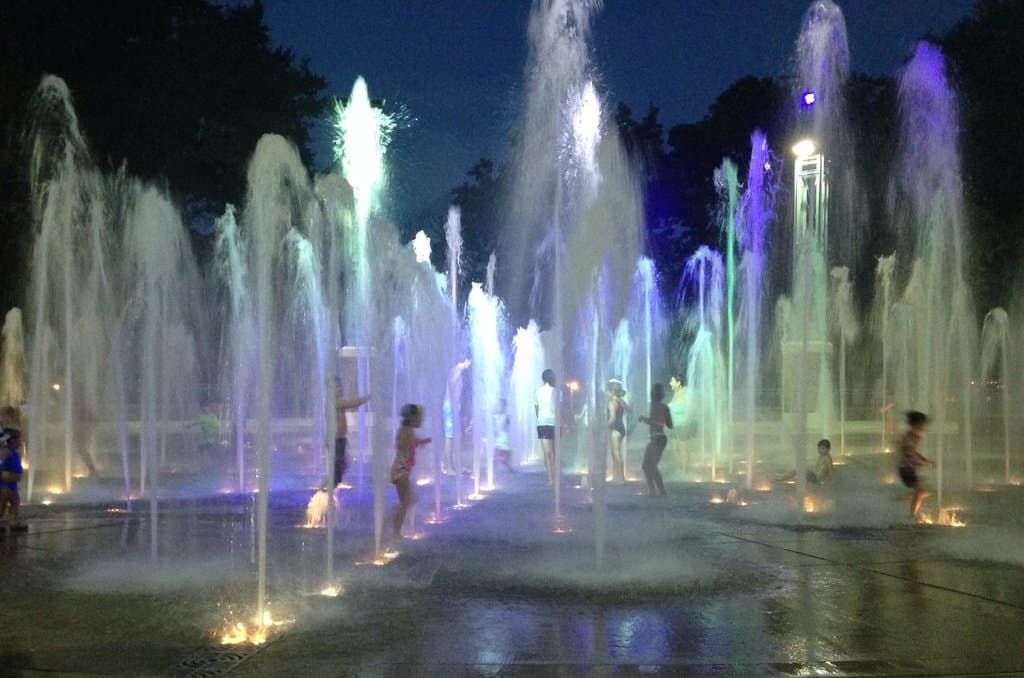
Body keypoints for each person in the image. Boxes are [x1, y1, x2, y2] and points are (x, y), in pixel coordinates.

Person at [391, 404, 431, 540]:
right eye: (420, 418)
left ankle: (392, 523)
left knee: (410, 499)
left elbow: (413, 441)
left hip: (402, 470)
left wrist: (423, 441)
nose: (422, 420)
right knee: (406, 501)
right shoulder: (406, 431)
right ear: (413, 419)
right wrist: (408, 443)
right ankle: (395, 531)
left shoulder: (408, 431)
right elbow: (400, 444)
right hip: (400, 471)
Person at [898, 410, 935, 520]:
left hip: (910, 469)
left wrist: (925, 460)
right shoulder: (909, 436)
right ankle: (911, 517)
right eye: (922, 424)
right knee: (920, 491)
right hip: (906, 470)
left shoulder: (915, 436)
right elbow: (907, 451)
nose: (924, 426)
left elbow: (913, 451)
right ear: (916, 424)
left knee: (927, 491)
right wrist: (921, 462)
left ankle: (898, 500)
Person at [334, 378, 370, 487]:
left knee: (342, 465)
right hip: (336, 439)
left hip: (340, 438)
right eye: (337, 387)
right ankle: (326, 486)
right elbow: (353, 403)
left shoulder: (338, 402)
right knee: (338, 466)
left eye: (340, 386)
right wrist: (367, 397)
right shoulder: (335, 402)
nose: (340, 389)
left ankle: (331, 484)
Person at [639, 383, 673, 496]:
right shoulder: (664, 407)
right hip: (659, 438)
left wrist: (645, 419)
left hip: (657, 439)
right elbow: (670, 425)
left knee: (650, 466)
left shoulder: (655, 406)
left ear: (653, 394)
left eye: (652, 392)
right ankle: (654, 490)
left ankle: (658, 490)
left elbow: (658, 424)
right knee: (647, 466)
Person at [535, 369, 560, 483]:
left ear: (543, 378)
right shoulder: (558, 392)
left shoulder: (537, 392)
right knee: (553, 451)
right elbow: (558, 409)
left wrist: (540, 418)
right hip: (554, 423)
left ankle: (551, 478)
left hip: (542, 423)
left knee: (547, 452)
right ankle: (553, 477)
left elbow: (537, 409)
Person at [0, 428, 25, 531]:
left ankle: (9, 522)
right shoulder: (7, 451)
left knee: (6, 503)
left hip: (10, 483)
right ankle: (14, 522)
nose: (21, 441)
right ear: (12, 440)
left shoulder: (12, 451)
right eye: (19, 439)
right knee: (14, 502)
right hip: (7, 484)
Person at [606, 378, 630, 482]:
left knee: (615, 454)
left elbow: (612, 418)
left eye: (607, 390)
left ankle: (621, 478)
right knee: (617, 453)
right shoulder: (621, 401)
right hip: (621, 427)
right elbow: (629, 410)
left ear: (611, 391)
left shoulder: (612, 402)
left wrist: (604, 426)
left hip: (615, 429)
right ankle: (618, 476)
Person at [667, 376, 691, 473]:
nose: (670, 383)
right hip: (674, 426)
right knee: (674, 449)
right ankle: (681, 468)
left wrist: (686, 422)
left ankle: (685, 471)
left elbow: (691, 408)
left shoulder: (686, 393)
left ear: (679, 383)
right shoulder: (675, 394)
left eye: (672, 381)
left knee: (683, 449)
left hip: (683, 426)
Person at [493, 398, 514, 472]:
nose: (498, 407)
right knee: (495, 458)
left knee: (503, 460)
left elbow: (507, 424)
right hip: (498, 441)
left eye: (500, 405)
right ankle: (494, 472)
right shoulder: (495, 416)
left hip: (504, 441)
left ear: (504, 407)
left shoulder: (506, 416)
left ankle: (511, 469)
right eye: (497, 405)